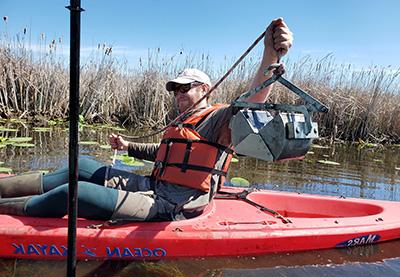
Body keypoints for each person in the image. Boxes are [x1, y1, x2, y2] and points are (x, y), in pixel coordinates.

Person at [0, 18, 293, 221]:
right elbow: (166, 155)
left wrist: (270, 54)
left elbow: (252, 103)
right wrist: (128, 147)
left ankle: (7, 211)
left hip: (172, 205)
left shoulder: (218, 119)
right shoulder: (182, 121)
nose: (178, 93)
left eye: (185, 87)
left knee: (75, 194)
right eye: (175, 89)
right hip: (152, 187)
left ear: (204, 89)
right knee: (79, 166)